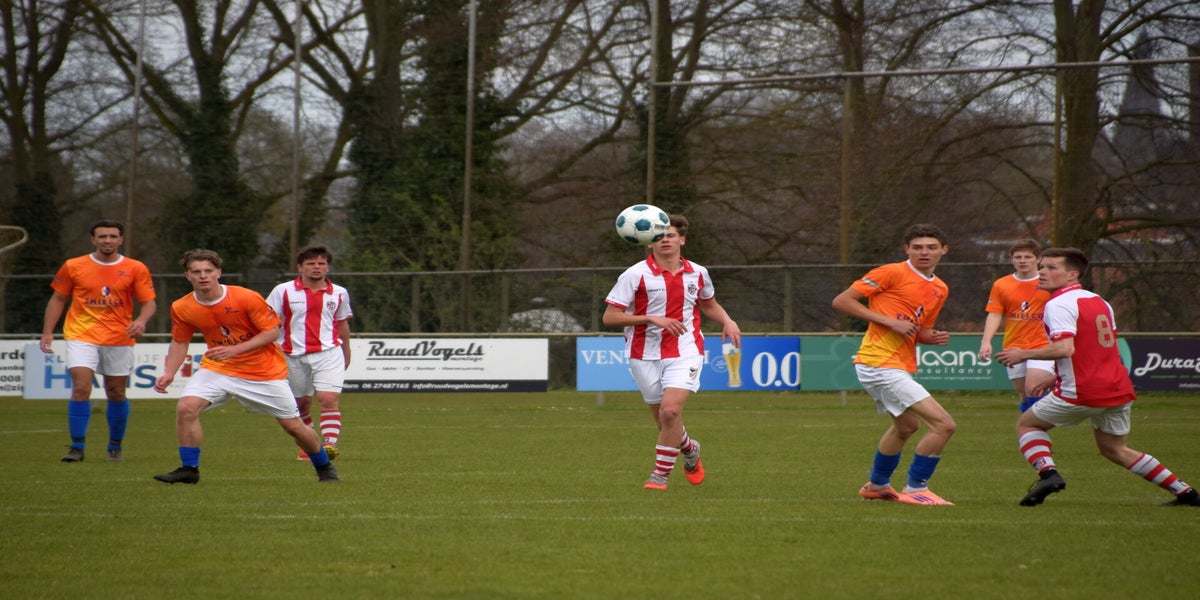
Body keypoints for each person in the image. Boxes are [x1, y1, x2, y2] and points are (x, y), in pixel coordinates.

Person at [996, 248, 1200, 507]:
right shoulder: (1098, 300)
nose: (1042, 272)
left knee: (1028, 425)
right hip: (1117, 389)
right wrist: (1055, 378)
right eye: (1043, 266)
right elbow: (1095, 349)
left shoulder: (1058, 304)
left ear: (1072, 274)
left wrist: (1023, 353)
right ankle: (1187, 493)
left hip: (1083, 391)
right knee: (1115, 449)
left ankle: (1048, 475)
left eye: (1051, 267)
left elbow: (1064, 348)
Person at [152, 249, 338, 484]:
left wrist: (235, 349)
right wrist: (169, 372)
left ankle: (324, 467)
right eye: (196, 272)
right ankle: (189, 469)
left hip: (263, 371)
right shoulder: (182, 306)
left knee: (293, 426)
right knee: (186, 408)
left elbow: (272, 332)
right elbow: (180, 341)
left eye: (208, 271)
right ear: (187, 276)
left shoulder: (245, 297)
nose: (203, 276)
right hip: (218, 369)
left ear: (218, 272)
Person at [603, 214, 741, 490]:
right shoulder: (634, 275)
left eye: (671, 235)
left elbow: (708, 304)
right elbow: (610, 317)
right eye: (659, 236)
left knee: (670, 411)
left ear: (682, 240)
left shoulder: (698, 273)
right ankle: (690, 449)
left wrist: (727, 320)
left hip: (685, 350)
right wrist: (651, 318)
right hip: (643, 354)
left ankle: (659, 476)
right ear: (649, 242)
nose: (665, 240)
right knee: (665, 421)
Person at [832, 223, 956, 506]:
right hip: (878, 362)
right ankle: (916, 488)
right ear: (906, 249)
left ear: (944, 250)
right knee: (944, 425)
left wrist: (931, 337)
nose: (924, 252)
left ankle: (877, 486)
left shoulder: (939, 288)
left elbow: (919, 330)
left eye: (931, 247)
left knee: (906, 426)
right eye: (918, 247)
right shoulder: (890, 272)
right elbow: (842, 301)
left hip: (898, 363)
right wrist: (889, 321)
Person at [40, 220, 156, 463]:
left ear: (120, 240)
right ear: (93, 239)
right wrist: (47, 331)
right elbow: (58, 299)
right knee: (81, 386)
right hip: (81, 334)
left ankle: (114, 446)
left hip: (119, 336)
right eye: (102, 236)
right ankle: (77, 447)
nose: (107, 240)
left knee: (116, 392)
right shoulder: (73, 266)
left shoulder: (135, 268)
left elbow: (149, 303)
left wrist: (141, 320)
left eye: (112, 236)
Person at [266, 245, 353, 461]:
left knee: (328, 399)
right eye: (311, 263)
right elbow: (267, 321)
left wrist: (346, 350)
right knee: (301, 404)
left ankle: (329, 444)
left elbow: (342, 324)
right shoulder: (283, 291)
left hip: (328, 353)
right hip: (291, 354)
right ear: (300, 267)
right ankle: (310, 444)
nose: (316, 267)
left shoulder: (339, 293)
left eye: (321, 263)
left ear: (327, 267)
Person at [978, 240, 1056, 412]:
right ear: (1012, 260)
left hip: (1043, 345)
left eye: (1028, 257)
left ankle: (1037, 423)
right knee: (1023, 393)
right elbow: (995, 314)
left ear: (1038, 259)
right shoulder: (1001, 284)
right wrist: (986, 341)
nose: (1022, 261)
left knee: (1034, 387)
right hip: (1014, 346)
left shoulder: (1049, 282)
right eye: (1018, 257)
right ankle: (1030, 423)